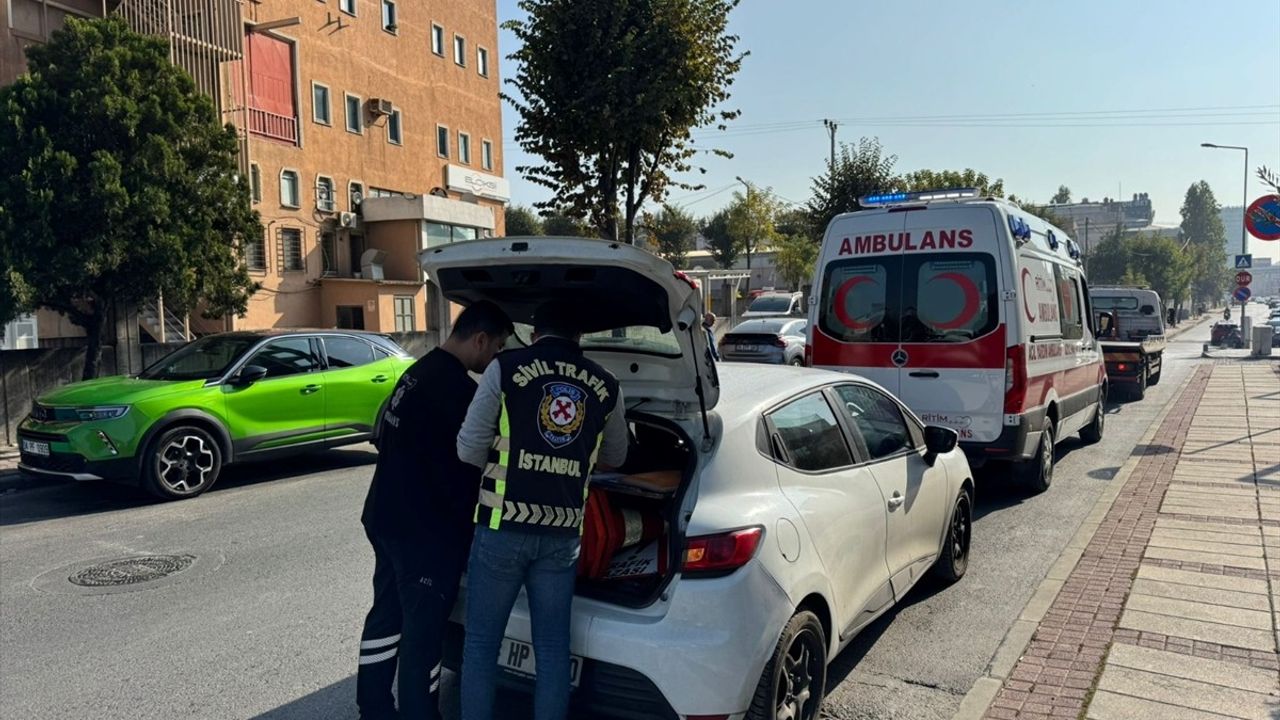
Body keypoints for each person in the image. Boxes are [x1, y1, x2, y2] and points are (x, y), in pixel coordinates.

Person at [457, 299, 628, 720]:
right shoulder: (606, 385)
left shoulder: (505, 368)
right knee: (552, 650)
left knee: (481, 645)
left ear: (535, 334)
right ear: (580, 339)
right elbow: (619, 457)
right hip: (562, 534)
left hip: (501, 526)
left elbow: (467, 449)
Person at [356, 300, 513, 720]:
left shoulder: (417, 372)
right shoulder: (459, 392)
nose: (495, 358)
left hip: (385, 516)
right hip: (423, 532)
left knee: (386, 617)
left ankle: (373, 708)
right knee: (423, 635)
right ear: (480, 339)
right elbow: (483, 459)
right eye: (496, 348)